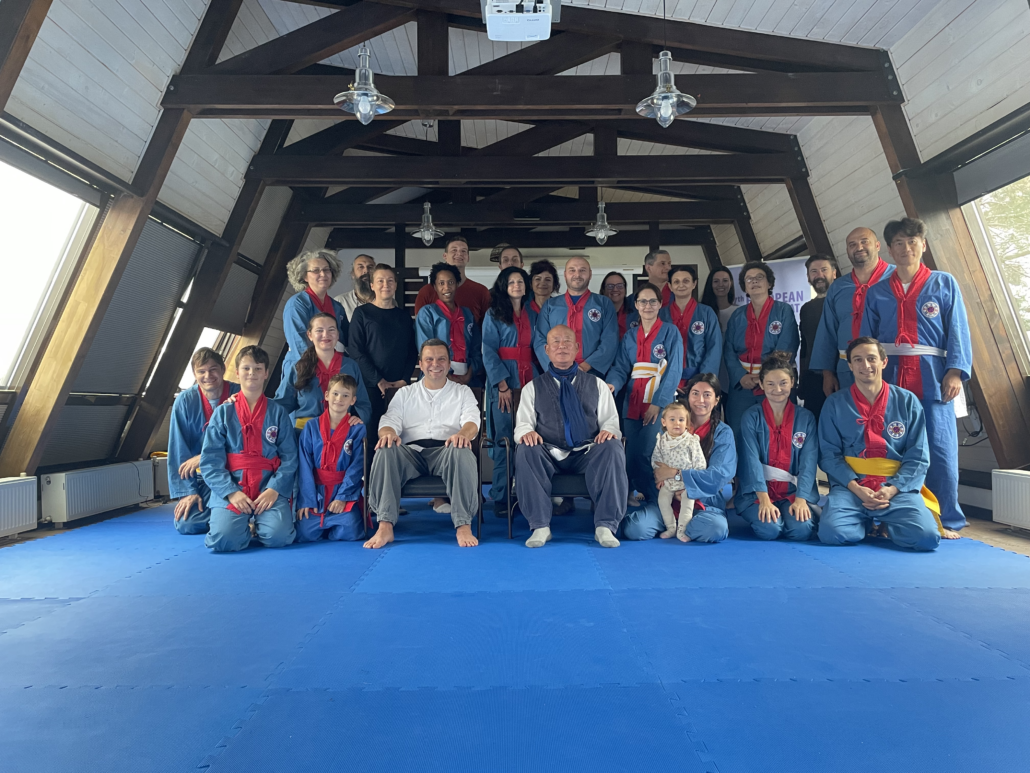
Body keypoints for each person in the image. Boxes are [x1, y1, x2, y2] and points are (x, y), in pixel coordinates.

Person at [861, 217, 972, 538]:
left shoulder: (943, 283)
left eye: (912, 242)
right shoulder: (878, 291)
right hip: (890, 374)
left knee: (940, 446)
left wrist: (955, 371)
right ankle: (887, 514)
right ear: (889, 249)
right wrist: (868, 378)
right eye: (899, 242)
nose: (906, 248)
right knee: (890, 445)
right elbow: (867, 339)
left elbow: (958, 330)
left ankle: (946, 517)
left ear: (923, 245)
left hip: (933, 375)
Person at [817, 337, 942, 552]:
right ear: (850, 365)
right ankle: (865, 522)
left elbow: (919, 456)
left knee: (926, 538)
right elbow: (829, 455)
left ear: (884, 362)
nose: (865, 365)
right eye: (858, 359)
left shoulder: (907, 401)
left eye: (871, 358)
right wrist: (856, 488)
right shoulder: (835, 403)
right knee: (833, 533)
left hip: (895, 487)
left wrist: (892, 489)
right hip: (851, 488)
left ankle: (889, 522)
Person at [514, 325, 626, 548]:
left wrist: (608, 431)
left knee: (613, 446)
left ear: (577, 348)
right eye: (555, 342)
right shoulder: (532, 388)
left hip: (587, 453)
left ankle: (605, 525)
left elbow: (611, 422)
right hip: (549, 453)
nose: (561, 346)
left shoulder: (598, 385)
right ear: (547, 349)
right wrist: (527, 433)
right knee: (526, 448)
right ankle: (540, 526)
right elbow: (523, 425)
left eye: (567, 341)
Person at [364, 339, 482, 549]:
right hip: (411, 453)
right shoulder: (405, 393)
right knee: (385, 449)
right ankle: (385, 526)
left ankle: (463, 525)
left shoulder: (462, 392)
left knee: (462, 450)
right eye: (429, 359)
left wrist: (463, 435)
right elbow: (389, 421)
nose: (435, 364)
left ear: (449, 364)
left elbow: (472, 422)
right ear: (420, 363)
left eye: (441, 359)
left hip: (447, 451)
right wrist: (389, 434)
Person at [200, 346, 298, 553]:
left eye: (258, 368)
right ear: (237, 372)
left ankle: (257, 524)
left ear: (266, 373)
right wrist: (231, 493)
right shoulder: (223, 412)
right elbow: (210, 462)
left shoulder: (278, 413)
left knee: (279, 537)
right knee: (224, 540)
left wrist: (274, 489)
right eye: (246, 368)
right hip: (234, 485)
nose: (252, 373)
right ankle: (241, 525)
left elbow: (289, 457)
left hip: (267, 486)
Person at [623, 373, 737, 543]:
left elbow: (719, 475)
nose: (700, 400)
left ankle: (678, 526)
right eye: (695, 393)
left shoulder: (723, 432)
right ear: (688, 396)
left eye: (707, 395)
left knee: (716, 529)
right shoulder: (671, 425)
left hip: (702, 503)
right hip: (667, 499)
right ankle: (676, 525)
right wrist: (666, 484)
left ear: (716, 400)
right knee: (635, 529)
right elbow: (657, 467)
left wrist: (677, 475)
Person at [606, 283, 683, 505]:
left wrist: (658, 403)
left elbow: (674, 370)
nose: (647, 306)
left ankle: (655, 495)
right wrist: (612, 385)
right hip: (633, 399)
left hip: (659, 399)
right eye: (642, 301)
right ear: (636, 305)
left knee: (648, 450)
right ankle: (629, 492)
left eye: (652, 301)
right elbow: (621, 367)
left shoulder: (670, 332)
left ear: (660, 304)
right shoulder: (630, 336)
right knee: (630, 451)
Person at [735, 353, 819, 542]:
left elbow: (809, 462)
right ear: (761, 384)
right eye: (770, 384)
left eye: (783, 383)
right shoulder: (751, 417)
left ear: (792, 382)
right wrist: (764, 500)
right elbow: (750, 461)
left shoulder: (805, 418)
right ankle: (770, 513)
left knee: (802, 531)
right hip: (758, 492)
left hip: (793, 491)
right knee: (770, 529)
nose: (777, 389)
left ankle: (788, 512)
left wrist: (801, 499)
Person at [723, 261, 800, 447]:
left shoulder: (783, 311)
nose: (754, 282)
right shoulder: (737, 315)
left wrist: (765, 378)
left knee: (774, 433)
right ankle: (743, 468)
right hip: (742, 385)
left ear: (769, 283)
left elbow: (786, 346)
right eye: (749, 279)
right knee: (739, 432)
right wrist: (741, 377)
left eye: (759, 277)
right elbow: (729, 350)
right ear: (744, 287)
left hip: (774, 384)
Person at [811, 227, 894, 394]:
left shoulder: (897, 278)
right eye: (852, 244)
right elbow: (827, 330)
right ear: (847, 251)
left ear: (878, 245)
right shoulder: (838, 287)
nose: (859, 247)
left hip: (890, 367)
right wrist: (827, 374)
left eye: (864, 242)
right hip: (847, 369)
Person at [482, 266, 537, 516]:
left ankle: (527, 495)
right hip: (504, 382)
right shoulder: (493, 314)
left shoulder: (533, 313)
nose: (517, 285)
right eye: (512, 282)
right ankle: (501, 497)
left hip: (530, 381)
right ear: (504, 286)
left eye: (520, 281)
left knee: (530, 438)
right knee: (504, 440)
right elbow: (488, 350)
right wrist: (501, 384)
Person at [168, 348, 240, 535]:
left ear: (223, 369)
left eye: (213, 369)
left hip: (237, 474)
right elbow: (178, 450)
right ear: (194, 374)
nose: (208, 376)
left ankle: (232, 518)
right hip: (206, 479)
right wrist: (188, 492)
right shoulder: (185, 401)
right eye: (201, 371)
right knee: (187, 523)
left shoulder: (239, 394)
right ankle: (233, 519)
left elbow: (247, 443)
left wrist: (204, 457)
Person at [348, 263, 418, 442]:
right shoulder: (361, 313)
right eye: (380, 281)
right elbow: (355, 350)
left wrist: (404, 380)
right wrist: (379, 380)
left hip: (399, 387)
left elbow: (412, 351)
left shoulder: (404, 316)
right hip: (370, 386)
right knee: (372, 436)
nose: (385, 285)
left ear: (395, 285)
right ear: (372, 285)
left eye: (390, 281)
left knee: (400, 435)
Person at [296, 374, 366, 542]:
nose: (339, 399)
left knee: (351, 530)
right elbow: (304, 465)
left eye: (345, 395)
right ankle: (323, 523)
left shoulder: (357, 429)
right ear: (327, 395)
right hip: (316, 493)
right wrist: (307, 500)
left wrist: (342, 497)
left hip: (343, 490)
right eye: (335, 393)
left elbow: (357, 466)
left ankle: (335, 522)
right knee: (304, 533)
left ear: (353, 400)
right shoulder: (311, 426)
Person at [274, 312, 371, 430]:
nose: (326, 335)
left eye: (331, 330)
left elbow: (363, 404)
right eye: (319, 330)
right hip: (304, 434)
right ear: (310, 335)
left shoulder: (350, 366)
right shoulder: (298, 368)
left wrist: (359, 418)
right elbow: (281, 405)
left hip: (340, 432)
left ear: (338, 335)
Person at [534, 257, 618, 376]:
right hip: (556, 374)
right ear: (565, 275)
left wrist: (586, 366)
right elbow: (540, 340)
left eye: (582, 270)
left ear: (590, 274)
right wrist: (557, 368)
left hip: (592, 373)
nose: (577, 275)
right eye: (572, 270)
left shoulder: (604, 304)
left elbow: (610, 340)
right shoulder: (550, 306)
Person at [281, 249, 349, 383]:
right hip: (306, 370)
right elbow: (299, 343)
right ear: (305, 276)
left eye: (326, 270)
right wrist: (317, 369)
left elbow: (345, 338)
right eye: (316, 270)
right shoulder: (297, 304)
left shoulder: (337, 306)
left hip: (334, 369)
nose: (323, 274)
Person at [416, 262, 482, 385]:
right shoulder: (427, 313)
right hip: (436, 376)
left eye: (451, 282)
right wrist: (448, 376)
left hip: (468, 379)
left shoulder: (468, 314)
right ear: (435, 287)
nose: (446, 287)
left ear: (457, 284)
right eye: (441, 283)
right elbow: (425, 349)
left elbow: (476, 349)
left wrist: (469, 374)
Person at [659, 265, 722, 390]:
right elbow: (656, 348)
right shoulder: (661, 315)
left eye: (686, 281)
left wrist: (703, 380)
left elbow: (714, 348)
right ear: (670, 286)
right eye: (676, 282)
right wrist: (666, 379)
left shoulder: (706, 313)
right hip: (666, 379)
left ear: (694, 284)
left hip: (699, 378)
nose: (681, 285)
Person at [651, 402, 706, 541]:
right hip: (669, 482)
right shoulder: (661, 440)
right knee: (663, 500)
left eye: (681, 420)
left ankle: (683, 529)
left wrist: (688, 478)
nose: (677, 423)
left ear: (687, 423)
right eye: (672, 419)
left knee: (687, 503)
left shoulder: (691, 441)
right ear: (664, 422)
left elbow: (700, 464)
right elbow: (656, 460)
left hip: (687, 482)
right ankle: (671, 527)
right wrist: (660, 477)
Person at [798, 254, 839, 421]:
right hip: (813, 380)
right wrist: (802, 380)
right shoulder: (806, 309)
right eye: (814, 271)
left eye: (824, 270)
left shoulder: (843, 302)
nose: (819, 275)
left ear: (834, 273)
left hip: (840, 376)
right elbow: (805, 346)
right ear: (808, 277)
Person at [413, 235, 491, 322]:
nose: (459, 254)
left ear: (468, 258)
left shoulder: (481, 291)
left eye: (463, 251)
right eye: (454, 250)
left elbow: (488, 325)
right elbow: (420, 325)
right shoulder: (427, 291)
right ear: (445, 256)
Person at [700, 266, 737, 397]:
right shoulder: (702, 312)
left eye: (725, 281)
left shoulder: (739, 312)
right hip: (706, 368)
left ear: (731, 283)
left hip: (731, 370)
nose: (721, 285)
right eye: (716, 281)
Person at [334, 253, 376, 322]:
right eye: (361, 267)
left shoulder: (387, 302)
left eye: (370, 267)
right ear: (353, 274)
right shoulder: (340, 302)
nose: (366, 271)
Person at [601, 271, 636, 339]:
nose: (615, 289)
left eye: (620, 286)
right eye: (610, 286)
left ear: (625, 289)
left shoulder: (636, 311)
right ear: (603, 290)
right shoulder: (597, 312)